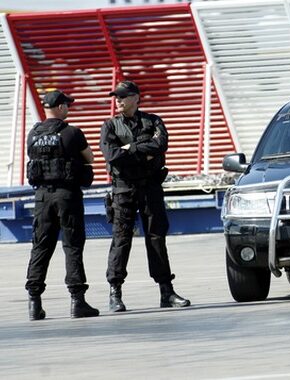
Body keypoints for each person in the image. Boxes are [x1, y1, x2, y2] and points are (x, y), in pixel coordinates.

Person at [100, 80, 190, 311]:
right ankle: (115, 292)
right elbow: (112, 155)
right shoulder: (110, 125)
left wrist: (130, 148)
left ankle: (166, 292)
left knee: (156, 237)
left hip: (150, 187)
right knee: (121, 239)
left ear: (136, 98)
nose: (118, 100)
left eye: (123, 96)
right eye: (116, 97)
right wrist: (142, 149)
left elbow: (161, 144)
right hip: (123, 189)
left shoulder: (153, 120)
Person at [25, 90, 99, 320]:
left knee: (41, 246)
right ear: (58, 107)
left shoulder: (33, 134)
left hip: (42, 198)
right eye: (66, 105)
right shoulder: (71, 133)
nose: (68, 108)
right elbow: (90, 158)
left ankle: (34, 303)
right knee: (73, 245)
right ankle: (78, 301)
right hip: (67, 196)